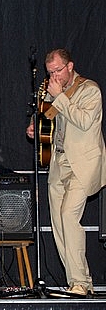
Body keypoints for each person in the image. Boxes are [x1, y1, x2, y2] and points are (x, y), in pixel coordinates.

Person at [26, 48, 106, 297]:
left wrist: (59, 96)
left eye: (57, 71)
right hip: (59, 163)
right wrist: (34, 124)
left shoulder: (89, 90)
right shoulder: (57, 92)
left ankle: (81, 281)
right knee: (59, 222)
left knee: (69, 216)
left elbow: (82, 121)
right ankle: (79, 281)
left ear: (70, 66)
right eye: (50, 72)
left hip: (83, 164)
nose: (54, 76)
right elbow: (51, 117)